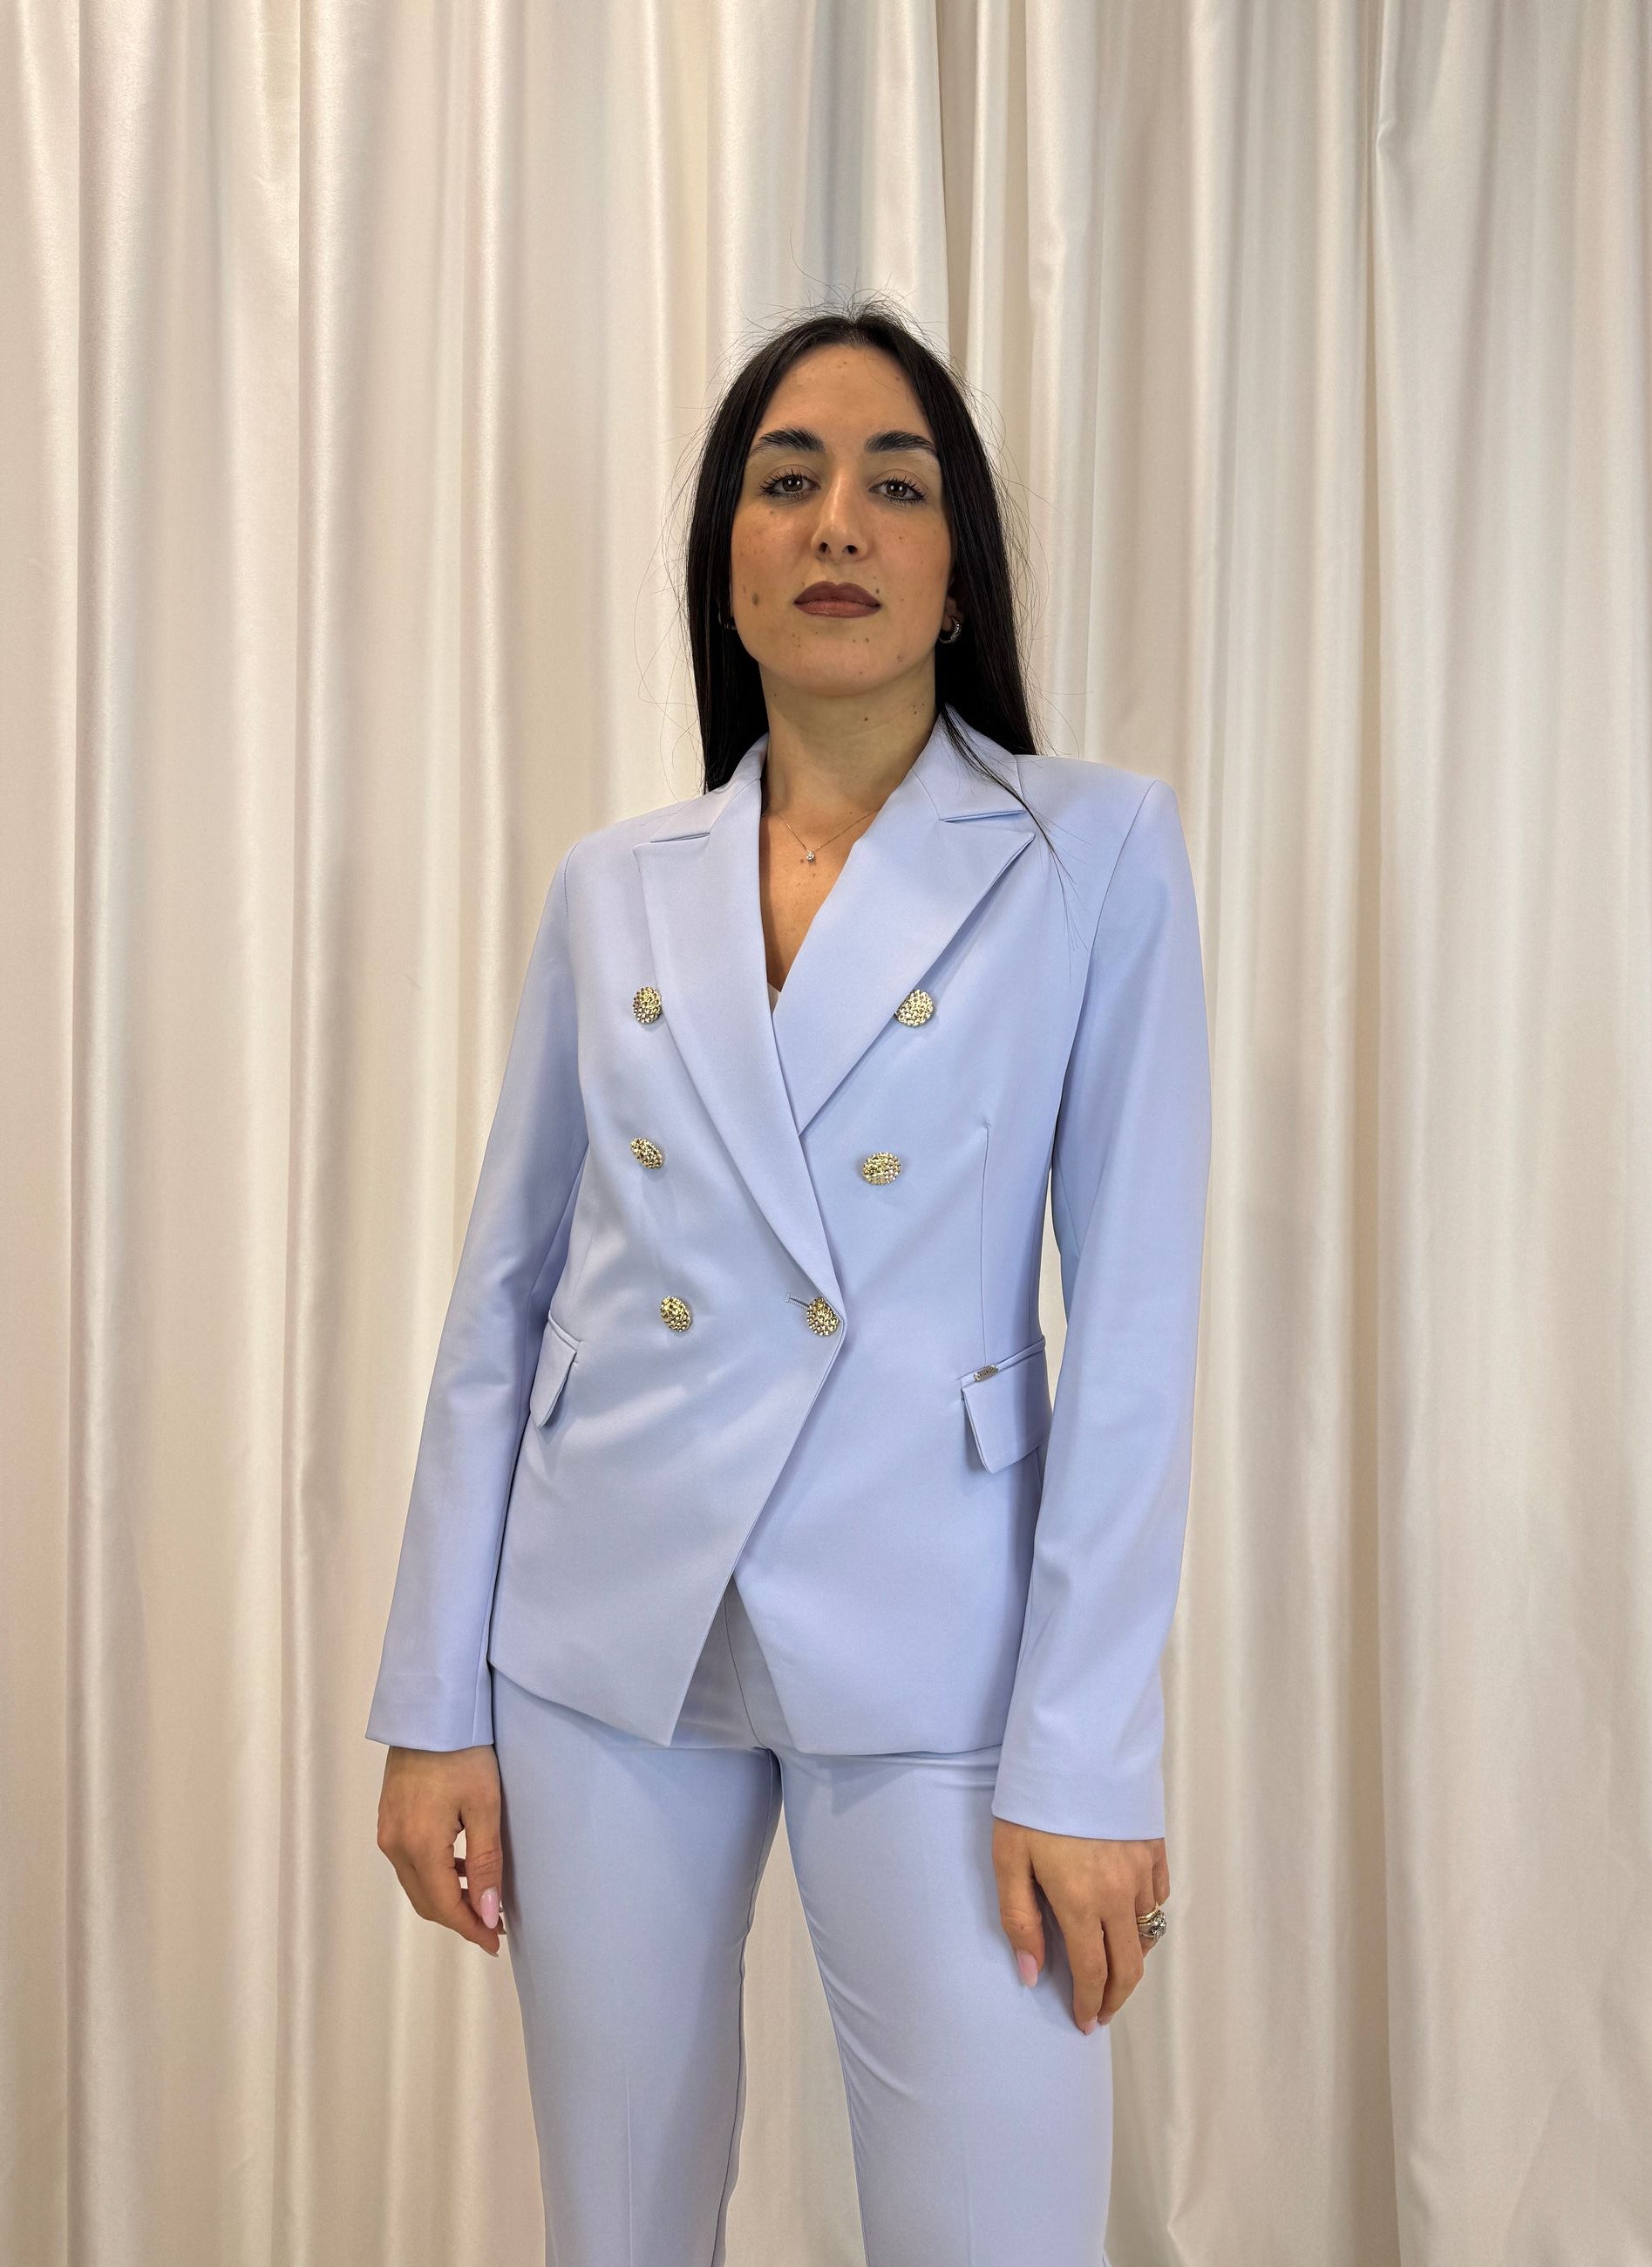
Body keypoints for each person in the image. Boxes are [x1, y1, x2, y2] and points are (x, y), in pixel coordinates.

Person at [367, 295, 1212, 2266]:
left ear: (955, 567)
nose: (838, 520)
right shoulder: (616, 885)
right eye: (787, 479)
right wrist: (430, 1702)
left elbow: (1138, 1328)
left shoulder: (1090, 853)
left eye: (896, 485)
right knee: (620, 2227)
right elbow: (505, 1301)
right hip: (601, 1634)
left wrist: (1089, 1753)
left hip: (941, 1635)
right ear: (728, 560)